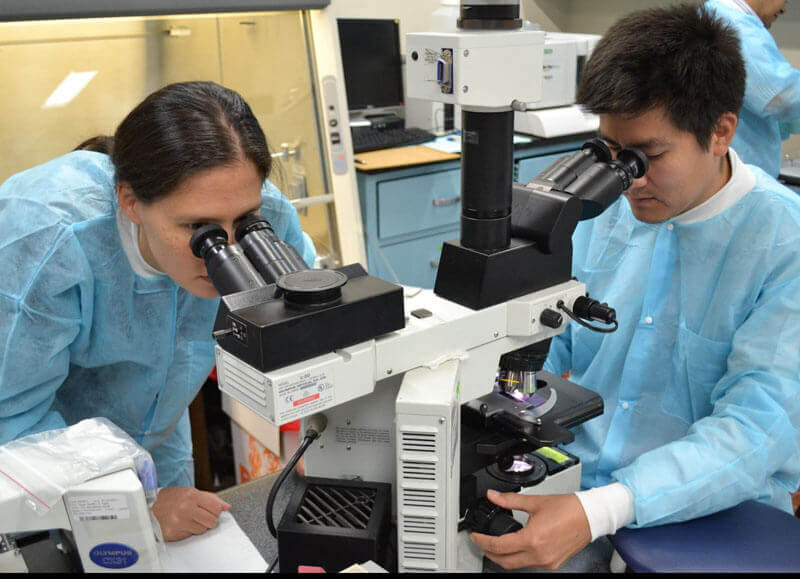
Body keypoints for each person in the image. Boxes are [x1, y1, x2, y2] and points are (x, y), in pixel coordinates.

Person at [470, 4, 800, 571]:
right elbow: (544, 345)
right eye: (613, 153)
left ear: (721, 131)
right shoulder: (606, 209)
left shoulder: (784, 242)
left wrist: (600, 510)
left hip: (707, 513)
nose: (628, 180)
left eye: (648, 156)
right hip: (570, 480)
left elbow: (754, 430)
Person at [0, 81, 315, 542]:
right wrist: (130, 502)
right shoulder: (48, 238)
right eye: (197, 228)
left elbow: (311, 331)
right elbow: (14, 421)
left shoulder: (264, 214)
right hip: (46, 462)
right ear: (131, 202)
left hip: (161, 436)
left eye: (243, 221)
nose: (226, 250)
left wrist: (325, 429)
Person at [705, 0, 800, 177]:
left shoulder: (715, 14)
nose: (784, 9)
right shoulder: (734, 25)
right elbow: (783, 98)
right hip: (737, 174)